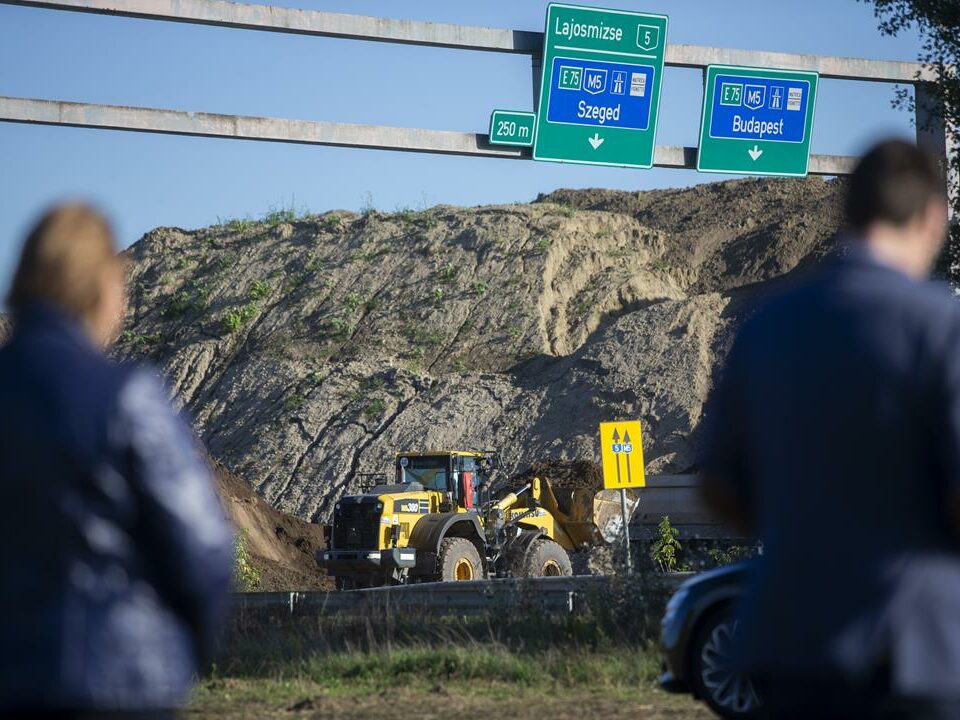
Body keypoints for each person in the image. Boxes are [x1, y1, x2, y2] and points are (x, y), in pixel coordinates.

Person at [701, 139, 958, 718]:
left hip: (790, 645)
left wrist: (807, 536)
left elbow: (718, 485)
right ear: (931, 218)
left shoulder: (766, 329)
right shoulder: (943, 327)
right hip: (915, 651)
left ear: (849, 214)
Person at [0, 204, 235, 718]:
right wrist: (182, 649)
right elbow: (205, 552)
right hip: (124, 679)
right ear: (98, 290)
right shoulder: (126, 396)